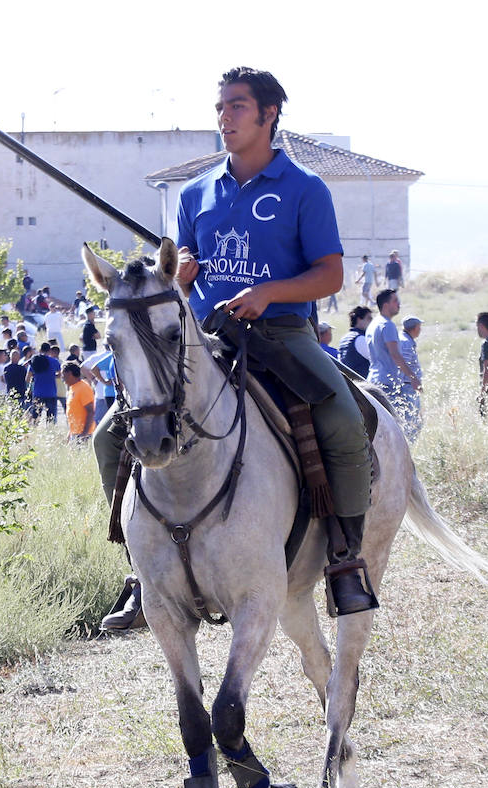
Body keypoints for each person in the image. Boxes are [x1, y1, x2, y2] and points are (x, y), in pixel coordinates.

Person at [99, 65, 374, 626]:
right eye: (220, 107)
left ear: (269, 115)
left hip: (282, 335)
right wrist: (184, 275)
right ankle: (139, 567)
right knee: (110, 434)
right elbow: (179, 277)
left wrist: (268, 292)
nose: (224, 118)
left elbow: (330, 276)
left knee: (344, 421)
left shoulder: (305, 189)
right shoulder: (196, 192)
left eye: (237, 107)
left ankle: (346, 558)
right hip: (207, 340)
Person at [366, 290, 422, 422]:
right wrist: (413, 377)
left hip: (374, 380)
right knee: (402, 425)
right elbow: (395, 354)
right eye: (395, 301)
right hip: (388, 383)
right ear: (386, 305)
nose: (399, 304)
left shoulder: (373, 324)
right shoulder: (387, 325)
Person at [398, 315, 424, 440]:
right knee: (412, 420)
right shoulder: (406, 343)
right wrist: (414, 380)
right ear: (414, 328)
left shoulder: (404, 340)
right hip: (408, 386)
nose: (420, 330)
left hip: (408, 385)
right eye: (419, 327)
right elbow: (403, 365)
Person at [27, 344, 60, 423]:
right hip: (51, 392)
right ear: (49, 351)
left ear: (40, 350)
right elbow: (60, 374)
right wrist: (52, 375)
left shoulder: (34, 361)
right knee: (51, 418)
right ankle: (51, 432)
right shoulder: (54, 361)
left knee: (35, 417)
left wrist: (35, 378)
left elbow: (27, 379)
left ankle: (34, 432)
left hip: (38, 393)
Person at [64, 364, 97, 442]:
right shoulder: (73, 388)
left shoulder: (83, 388)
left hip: (83, 434)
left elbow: (90, 411)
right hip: (75, 433)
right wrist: (69, 434)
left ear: (70, 374)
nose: (62, 378)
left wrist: (84, 433)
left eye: (63, 375)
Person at [337, 306, 373, 377]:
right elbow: (377, 360)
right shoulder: (360, 339)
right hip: (361, 383)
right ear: (359, 319)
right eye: (369, 319)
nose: (371, 322)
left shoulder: (344, 338)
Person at [3, 348, 29, 412]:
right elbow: (26, 379)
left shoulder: (6, 368)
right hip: (21, 394)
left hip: (11, 394)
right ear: (19, 357)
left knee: (11, 414)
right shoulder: (22, 369)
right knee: (21, 413)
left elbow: (5, 380)